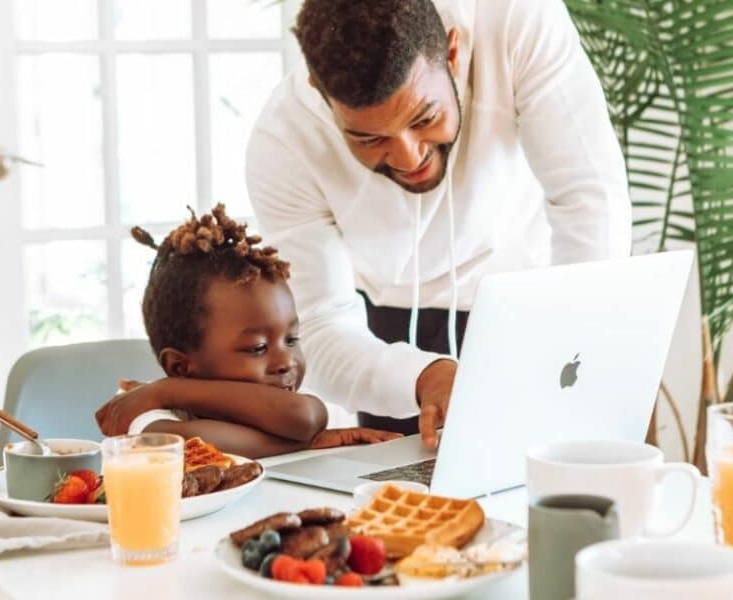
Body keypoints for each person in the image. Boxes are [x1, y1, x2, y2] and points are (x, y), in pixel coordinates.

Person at [246, 0, 631, 446]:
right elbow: (320, 328)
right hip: (381, 338)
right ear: (319, 91)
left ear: (452, 54)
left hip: (527, 303)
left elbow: (590, 198)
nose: (409, 157)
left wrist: (572, 350)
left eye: (424, 118)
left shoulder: (514, 18)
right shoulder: (281, 143)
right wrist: (422, 375)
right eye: (369, 138)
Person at [94, 205, 399, 458]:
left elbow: (307, 417)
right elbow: (192, 446)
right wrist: (309, 443)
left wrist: (169, 388)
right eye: (257, 348)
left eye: (291, 339)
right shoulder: (141, 409)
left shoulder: (160, 394)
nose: (286, 360)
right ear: (180, 366)